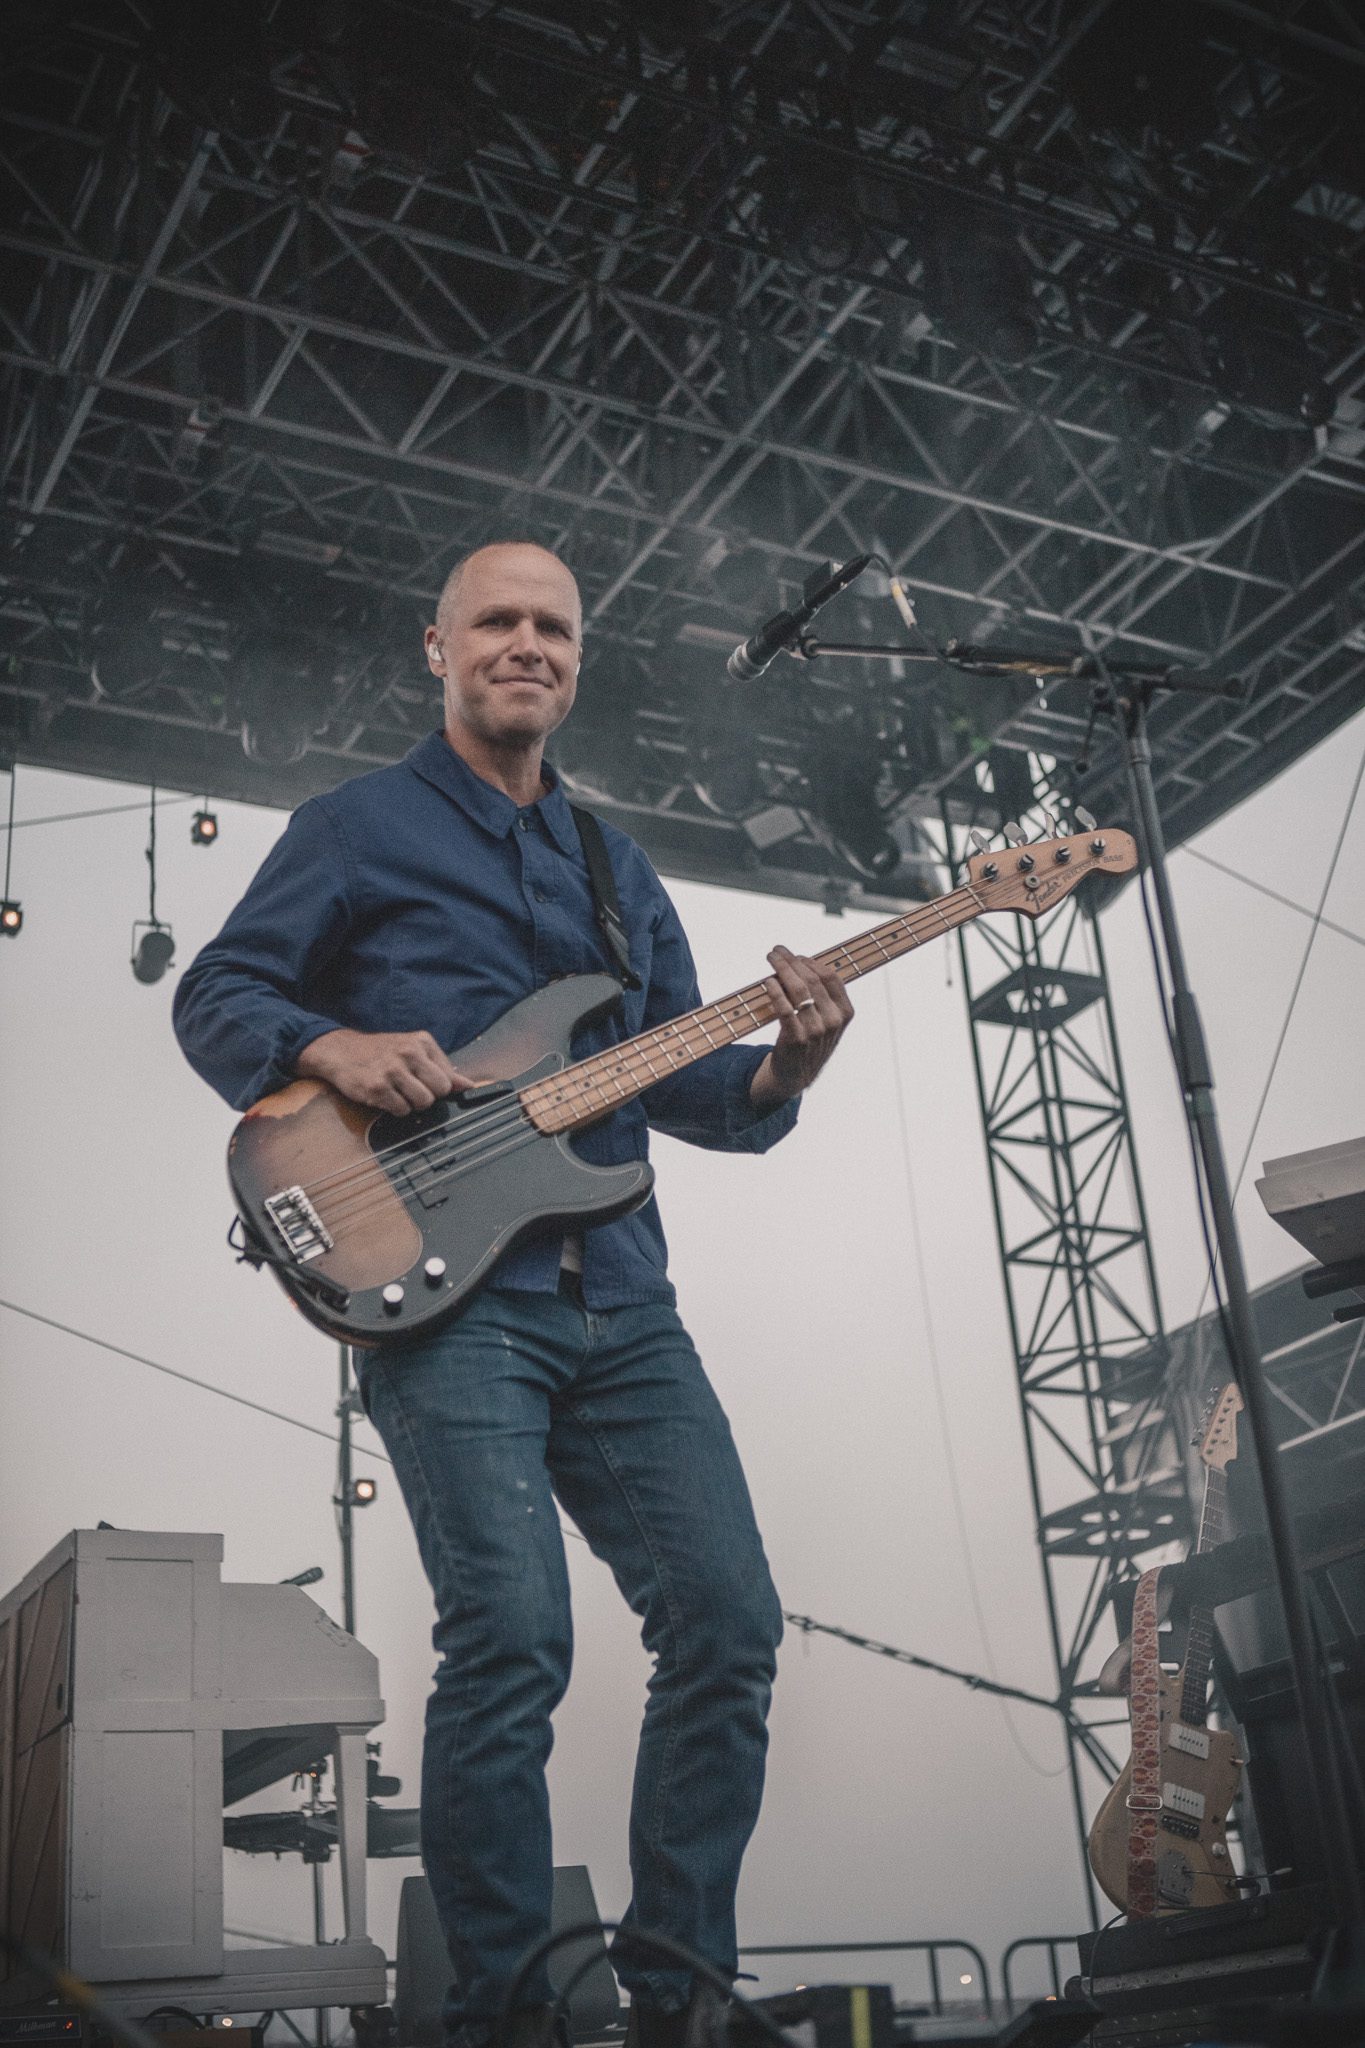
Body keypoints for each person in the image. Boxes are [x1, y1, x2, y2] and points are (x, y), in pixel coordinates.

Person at [173, 542, 853, 2048]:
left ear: (576, 660)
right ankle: (495, 2016)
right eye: (499, 621)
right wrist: (333, 1050)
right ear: (440, 646)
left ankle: (674, 1996)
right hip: (445, 1302)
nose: (526, 644)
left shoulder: (621, 872)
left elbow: (698, 1088)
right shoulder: (355, 830)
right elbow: (217, 995)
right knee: (511, 1640)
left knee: (729, 1624)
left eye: (553, 626)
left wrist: (792, 1057)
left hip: (622, 1296)